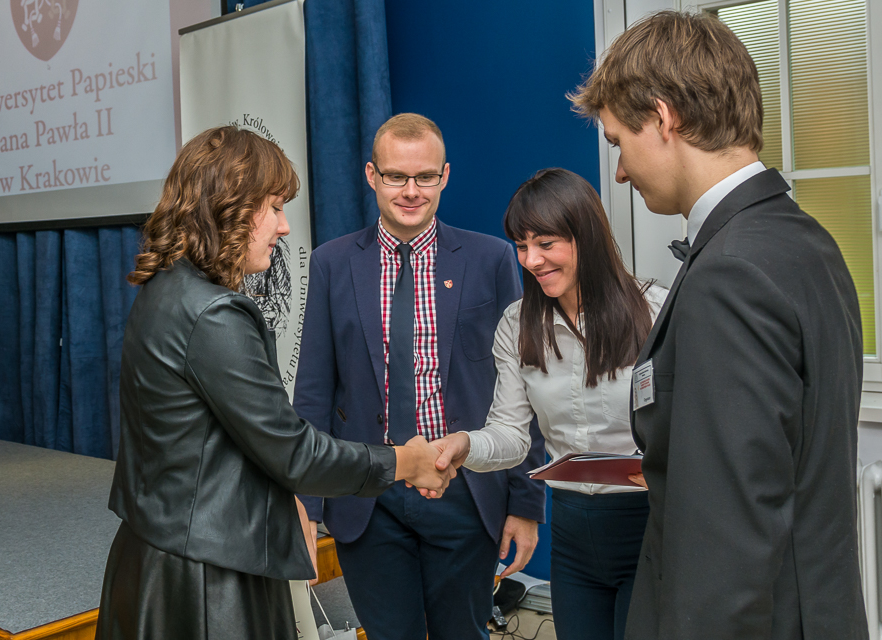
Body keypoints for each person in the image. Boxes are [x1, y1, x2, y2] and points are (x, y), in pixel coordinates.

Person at [565, 10, 867, 639]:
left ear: (663, 117)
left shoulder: (729, 274)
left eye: (618, 143)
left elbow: (725, 537)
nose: (619, 171)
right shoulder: (806, 241)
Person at [94, 126, 453, 640]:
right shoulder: (214, 314)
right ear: (231, 207)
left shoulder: (165, 290)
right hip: (207, 579)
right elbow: (295, 453)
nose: (284, 228)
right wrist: (405, 461)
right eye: (275, 207)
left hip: (162, 556)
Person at [292, 113, 546, 640]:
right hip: (367, 494)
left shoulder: (491, 259)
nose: (411, 191)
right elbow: (314, 390)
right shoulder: (331, 263)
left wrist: (526, 504)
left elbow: (524, 388)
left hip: (465, 489)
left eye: (425, 176)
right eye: (396, 176)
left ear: (444, 176)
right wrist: (307, 505)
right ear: (371, 175)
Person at [432, 168, 666, 640]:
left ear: (586, 237)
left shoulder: (656, 310)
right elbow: (511, 435)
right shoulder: (518, 324)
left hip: (648, 524)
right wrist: (464, 446)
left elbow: (692, 424)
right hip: (573, 532)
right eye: (522, 246)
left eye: (546, 243)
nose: (532, 260)